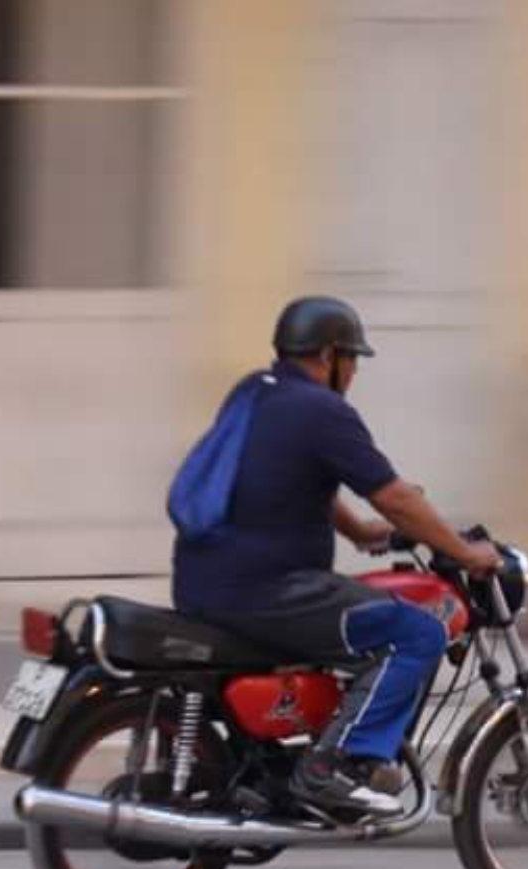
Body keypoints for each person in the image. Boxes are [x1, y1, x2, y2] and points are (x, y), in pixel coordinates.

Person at [172, 295, 502, 816]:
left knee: (361, 617)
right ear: (329, 356)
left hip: (204, 583)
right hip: (268, 591)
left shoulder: (255, 392)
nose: (352, 374)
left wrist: (359, 532)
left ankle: (287, 759)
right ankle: (334, 768)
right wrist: (464, 552)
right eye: (352, 361)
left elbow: (289, 477)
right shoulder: (323, 411)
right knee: (415, 633)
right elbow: (395, 497)